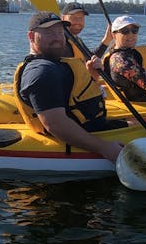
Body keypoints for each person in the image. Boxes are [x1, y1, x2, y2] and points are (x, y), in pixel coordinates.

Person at [14, 11, 124, 162]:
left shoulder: (55, 63)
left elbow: (71, 97)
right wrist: (105, 148)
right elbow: (56, 124)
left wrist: (92, 75)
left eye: (60, 32)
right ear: (31, 37)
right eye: (49, 32)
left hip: (94, 126)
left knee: (136, 124)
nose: (58, 37)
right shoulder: (41, 72)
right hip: (84, 137)